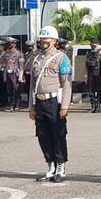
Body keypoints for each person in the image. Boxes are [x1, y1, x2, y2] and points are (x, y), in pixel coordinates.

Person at [29, 26, 72, 183]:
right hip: (39, 101)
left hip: (55, 101)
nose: (43, 42)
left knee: (58, 134)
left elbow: (67, 84)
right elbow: (32, 85)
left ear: (54, 41)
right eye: (41, 39)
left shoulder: (62, 58)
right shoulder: (36, 59)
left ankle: (61, 166)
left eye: (46, 39)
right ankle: (51, 166)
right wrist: (31, 107)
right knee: (43, 135)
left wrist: (65, 106)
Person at [85, 38, 101, 113]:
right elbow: (86, 66)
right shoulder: (88, 52)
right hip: (90, 72)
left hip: (98, 72)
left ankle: (98, 106)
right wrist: (85, 75)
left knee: (98, 90)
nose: (92, 44)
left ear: (97, 43)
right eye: (91, 43)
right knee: (91, 90)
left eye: (94, 43)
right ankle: (93, 105)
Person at [4, 37, 24, 112]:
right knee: (10, 90)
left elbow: (21, 65)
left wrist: (21, 76)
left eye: (11, 43)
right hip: (8, 73)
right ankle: (11, 105)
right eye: (9, 43)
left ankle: (17, 105)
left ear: (15, 44)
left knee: (16, 89)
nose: (10, 45)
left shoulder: (19, 53)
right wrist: (4, 75)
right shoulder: (7, 53)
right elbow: (6, 65)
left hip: (15, 73)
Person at [0, 40, 9, 108]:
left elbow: (6, 64)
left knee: (4, 88)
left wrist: (5, 74)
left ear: (2, 47)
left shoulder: (5, 54)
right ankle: (0, 101)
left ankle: (5, 102)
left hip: (3, 71)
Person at [23, 41, 38, 108]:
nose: (29, 48)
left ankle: (34, 102)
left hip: (33, 73)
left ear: (33, 47)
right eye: (28, 46)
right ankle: (29, 102)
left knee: (33, 88)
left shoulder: (36, 54)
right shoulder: (25, 54)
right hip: (26, 73)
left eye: (30, 46)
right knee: (27, 88)